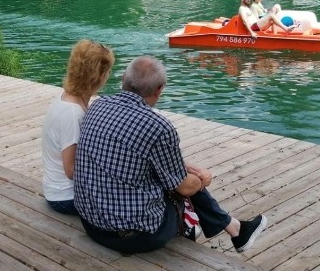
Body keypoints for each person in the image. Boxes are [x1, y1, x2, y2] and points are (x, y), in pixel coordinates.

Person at [73, 55, 268, 254]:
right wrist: (202, 179)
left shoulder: (98, 106)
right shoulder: (157, 127)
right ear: (159, 90)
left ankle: (235, 228)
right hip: (134, 237)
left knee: (167, 175)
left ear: (124, 78)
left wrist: (183, 167)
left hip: (91, 224)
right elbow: (184, 187)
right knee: (180, 186)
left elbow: (130, 154)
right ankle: (233, 229)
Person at [41, 39, 114, 215]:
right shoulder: (72, 114)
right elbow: (71, 170)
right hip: (65, 196)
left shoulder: (67, 98)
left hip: (58, 189)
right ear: (99, 76)